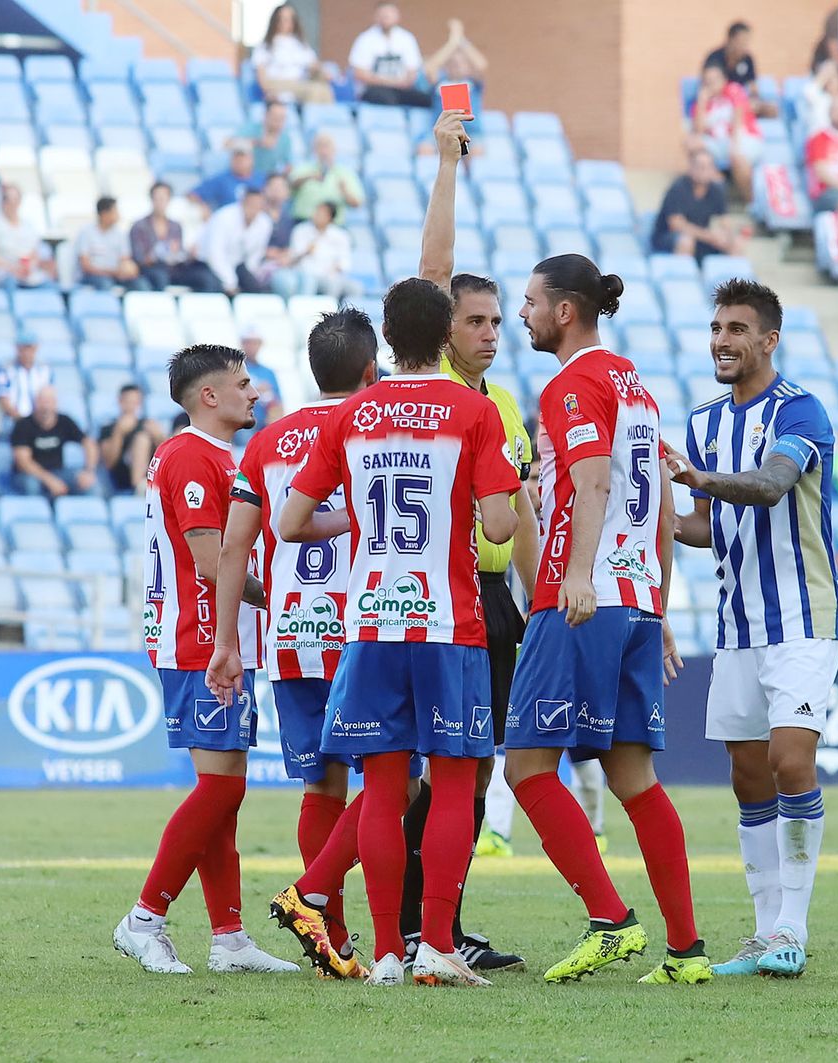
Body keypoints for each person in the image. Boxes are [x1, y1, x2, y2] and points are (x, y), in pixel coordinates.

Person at [273, 275, 519, 989]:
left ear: (386, 338)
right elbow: (501, 525)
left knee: (381, 790)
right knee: (450, 783)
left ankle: (384, 953)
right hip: (448, 624)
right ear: (445, 335)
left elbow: (291, 522)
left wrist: (358, 522)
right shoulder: (473, 410)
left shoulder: (352, 413)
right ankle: (436, 946)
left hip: (371, 624)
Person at [507, 253, 710, 986]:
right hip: (636, 601)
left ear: (565, 311)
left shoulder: (572, 383)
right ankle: (686, 951)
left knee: (527, 766)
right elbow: (658, 502)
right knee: (636, 778)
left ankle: (610, 919)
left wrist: (580, 574)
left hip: (579, 598)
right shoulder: (637, 388)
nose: (521, 314)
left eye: (530, 302)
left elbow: (592, 480)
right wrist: (656, 604)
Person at [664, 279, 838, 979]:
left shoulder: (800, 410)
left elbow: (769, 487)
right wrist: (663, 522)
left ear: (769, 339)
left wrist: (697, 480)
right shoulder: (705, 420)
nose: (722, 340)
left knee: (790, 761)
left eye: (738, 328)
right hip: (736, 623)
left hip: (801, 618)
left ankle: (792, 930)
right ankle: (765, 931)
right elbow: (711, 525)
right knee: (746, 775)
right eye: (716, 327)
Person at [395, 124, 538, 971]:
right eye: (473, 319)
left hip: (490, 605)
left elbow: (514, 511)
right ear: (441, 328)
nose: (489, 331)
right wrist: (446, 163)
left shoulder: (506, 403)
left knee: (474, 774)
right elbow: (432, 267)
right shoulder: (432, 385)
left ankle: (439, 921)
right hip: (431, 593)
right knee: (424, 769)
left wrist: (538, 600)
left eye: (494, 320)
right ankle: (402, 918)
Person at [204, 309, 378, 982]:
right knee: (404, 776)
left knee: (321, 782)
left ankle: (332, 937)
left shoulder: (268, 440)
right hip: (363, 630)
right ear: (368, 372)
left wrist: (226, 642)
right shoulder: (372, 426)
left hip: (288, 636)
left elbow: (233, 547)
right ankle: (320, 898)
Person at [112, 343, 295, 977]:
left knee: (223, 791)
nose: (255, 393)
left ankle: (229, 938)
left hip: (213, 636)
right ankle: (144, 918)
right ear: (209, 396)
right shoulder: (193, 457)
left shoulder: (216, 456)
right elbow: (213, 559)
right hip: (198, 638)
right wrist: (278, 597)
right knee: (223, 786)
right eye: (244, 384)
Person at [650, 148, 745, 261]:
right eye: (700, 167)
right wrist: (708, 236)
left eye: (708, 167)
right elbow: (676, 224)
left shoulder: (716, 190)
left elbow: (725, 221)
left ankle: (729, 277)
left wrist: (727, 237)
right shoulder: (678, 188)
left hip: (701, 237)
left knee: (735, 244)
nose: (704, 171)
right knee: (686, 241)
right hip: (669, 237)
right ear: (691, 168)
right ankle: (683, 277)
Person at [129, 181, 216, 293]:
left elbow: (179, 252)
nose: (161, 202)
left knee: (205, 277)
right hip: (152, 269)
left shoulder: (175, 226)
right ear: (151, 199)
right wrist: (156, 255)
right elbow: (139, 258)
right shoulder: (139, 226)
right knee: (160, 277)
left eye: (164, 198)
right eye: (158, 198)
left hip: (174, 269)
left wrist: (187, 254)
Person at [9, 387, 97, 498]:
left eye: (49, 401)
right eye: (42, 401)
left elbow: (88, 443)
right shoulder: (23, 425)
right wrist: (50, 481)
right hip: (30, 475)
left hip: (58, 471)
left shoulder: (65, 421)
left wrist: (89, 470)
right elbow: (23, 462)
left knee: (88, 483)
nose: (45, 406)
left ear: (56, 403)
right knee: (31, 485)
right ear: (35, 403)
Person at [690, 62, 762, 196]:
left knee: (738, 158)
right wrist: (702, 101)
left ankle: (751, 201)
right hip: (718, 143)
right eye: (707, 81)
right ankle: (718, 183)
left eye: (714, 79)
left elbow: (738, 118)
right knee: (691, 143)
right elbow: (698, 132)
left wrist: (734, 146)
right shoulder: (702, 102)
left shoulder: (733, 90)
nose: (711, 84)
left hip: (743, 138)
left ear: (723, 79)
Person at [348, 2, 433, 108]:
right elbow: (359, 74)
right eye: (382, 15)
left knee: (427, 99)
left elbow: (412, 71)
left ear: (397, 16)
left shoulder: (406, 38)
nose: (386, 18)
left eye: (389, 14)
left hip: (401, 89)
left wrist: (402, 83)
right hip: (374, 90)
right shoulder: (365, 39)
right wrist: (390, 82)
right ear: (376, 17)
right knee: (386, 99)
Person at [273, 200, 357, 300]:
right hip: (304, 274)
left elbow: (344, 262)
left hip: (329, 275)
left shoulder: (340, 236)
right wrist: (306, 251)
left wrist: (334, 269)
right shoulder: (301, 230)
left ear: (330, 217)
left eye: (322, 213)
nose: (316, 215)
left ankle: (333, 314)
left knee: (353, 288)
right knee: (308, 281)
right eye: (317, 211)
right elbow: (292, 257)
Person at [250, 3, 329, 105]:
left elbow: (313, 64)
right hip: (279, 84)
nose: (284, 23)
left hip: (300, 84)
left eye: (289, 19)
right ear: (275, 21)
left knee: (325, 90)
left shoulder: (301, 45)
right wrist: (268, 91)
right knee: (315, 91)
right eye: (281, 19)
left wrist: (321, 71)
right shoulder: (265, 45)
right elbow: (261, 73)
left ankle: (328, 119)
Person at [198, 187, 272, 295]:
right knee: (214, 285)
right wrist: (230, 280)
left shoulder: (265, 223)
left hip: (238, 266)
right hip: (206, 264)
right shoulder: (224, 217)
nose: (254, 209)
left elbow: (256, 254)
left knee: (254, 288)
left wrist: (247, 274)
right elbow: (214, 253)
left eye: (258, 206)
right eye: (251, 204)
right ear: (242, 203)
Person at [97, 384, 165, 496]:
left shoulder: (148, 425)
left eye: (135, 402)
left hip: (151, 476)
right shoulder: (109, 428)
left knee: (143, 439)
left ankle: (142, 486)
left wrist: (158, 436)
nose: (131, 405)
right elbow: (109, 462)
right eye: (128, 401)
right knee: (141, 439)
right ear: (120, 401)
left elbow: (166, 454)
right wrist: (118, 433)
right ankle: (138, 487)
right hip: (121, 478)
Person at [420, 17, 489, 125]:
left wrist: (460, 38)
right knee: (425, 143)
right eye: (453, 63)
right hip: (442, 129)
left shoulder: (473, 82)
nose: (457, 66)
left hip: (471, 132)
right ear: (446, 66)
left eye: (461, 63)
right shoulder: (439, 81)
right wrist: (451, 43)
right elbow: (429, 68)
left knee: (478, 143)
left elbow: (481, 65)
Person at [0, 182, 55, 289]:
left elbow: (34, 254)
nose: (12, 203)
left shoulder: (28, 225)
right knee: (10, 282)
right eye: (8, 199)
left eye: (15, 199)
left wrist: (27, 267)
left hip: (26, 272)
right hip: (2, 272)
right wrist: (12, 268)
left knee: (48, 286)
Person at [76, 195, 147, 291]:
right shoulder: (87, 232)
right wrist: (112, 272)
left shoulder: (120, 234)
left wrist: (128, 270)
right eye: (115, 211)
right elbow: (86, 266)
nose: (118, 215)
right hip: (93, 276)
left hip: (116, 275)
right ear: (104, 214)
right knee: (105, 284)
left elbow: (125, 259)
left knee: (141, 284)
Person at [290, 133, 364, 223]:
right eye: (320, 146)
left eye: (327, 146)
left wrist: (345, 191)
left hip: (334, 226)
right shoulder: (303, 169)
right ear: (314, 150)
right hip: (304, 222)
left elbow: (357, 203)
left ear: (334, 149)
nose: (324, 151)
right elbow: (288, 188)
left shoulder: (345, 174)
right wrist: (307, 178)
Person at [0, 329, 51, 429]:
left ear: (36, 348)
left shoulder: (45, 369)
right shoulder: (4, 368)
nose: (27, 352)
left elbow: (49, 397)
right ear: (17, 349)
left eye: (30, 348)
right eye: (23, 348)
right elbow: (3, 400)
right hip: (12, 420)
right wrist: (23, 422)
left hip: (38, 420)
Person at [189, 145, 263, 216]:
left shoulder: (261, 179)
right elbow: (193, 194)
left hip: (256, 223)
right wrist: (204, 208)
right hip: (227, 223)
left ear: (251, 160)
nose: (240, 161)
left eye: (243, 158)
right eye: (236, 158)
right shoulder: (221, 179)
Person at [234, 99, 296, 178]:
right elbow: (228, 144)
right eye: (275, 118)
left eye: (282, 118)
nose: (279, 123)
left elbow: (289, 164)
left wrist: (284, 174)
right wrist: (259, 142)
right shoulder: (251, 128)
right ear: (265, 115)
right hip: (245, 176)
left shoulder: (285, 138)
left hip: (268, 179)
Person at [237, 323, 282, 429]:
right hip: (243, 423)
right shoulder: (236, 370)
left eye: (255, 343)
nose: (252, 346)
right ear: (242, 344)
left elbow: (278, 402)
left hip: (265, 422)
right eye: (248, 342)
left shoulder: (269, 372)